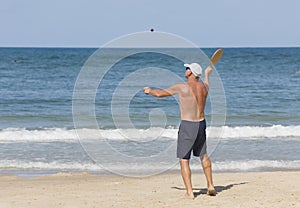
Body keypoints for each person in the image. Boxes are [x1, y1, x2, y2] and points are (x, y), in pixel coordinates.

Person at [144, 62, 215, 199]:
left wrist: (150, 91)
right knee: (203, 155)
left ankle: (189, 192)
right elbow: (207, 83)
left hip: (188, 125)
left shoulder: (182, 87)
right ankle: (210, 185)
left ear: (191, 73)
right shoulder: (204, 88)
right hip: (201, 124)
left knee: (184, 159)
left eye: (187, 68)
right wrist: (207, 73)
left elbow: (159, 94)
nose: (185, 70)